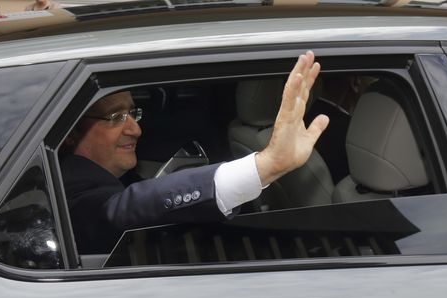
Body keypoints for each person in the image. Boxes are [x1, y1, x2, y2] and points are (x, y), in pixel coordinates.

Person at [61, 51, 329, 254]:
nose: (136, 130)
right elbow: (121, 210)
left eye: (132, 113)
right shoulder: (73, 192)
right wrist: (265, 166)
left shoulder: (97, 176)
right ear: (71, 131)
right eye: (115, 117)